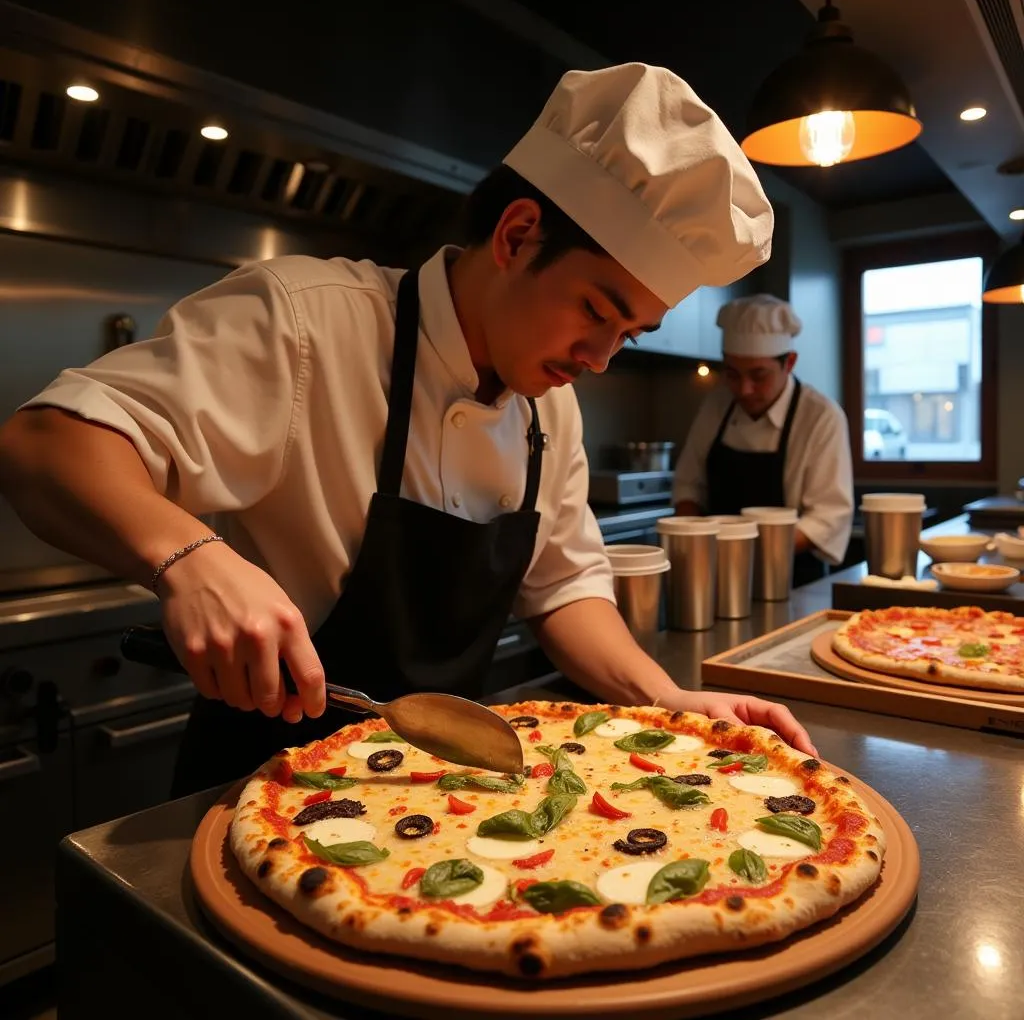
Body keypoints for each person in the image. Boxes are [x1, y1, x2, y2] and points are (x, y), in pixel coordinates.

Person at [0, 63, 817, 797]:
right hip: (263, 784)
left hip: (437, 791)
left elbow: (563, 586)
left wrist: (666, 701)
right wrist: (188, 557)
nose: (601, 357)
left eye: (628, 333)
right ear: (516, 234)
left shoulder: (548, 406)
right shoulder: (305, 322)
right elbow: (44, 445)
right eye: (597, 311)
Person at [672, 294, 854, 585]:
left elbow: (827, 517)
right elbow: (688, 486)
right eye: (732, 374)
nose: (743, 390)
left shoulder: (821, 416)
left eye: (759, 375)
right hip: (714, 574)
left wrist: (748, 554)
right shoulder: (716, 405)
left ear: (789, 363)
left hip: (792, 578)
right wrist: (692, 540)